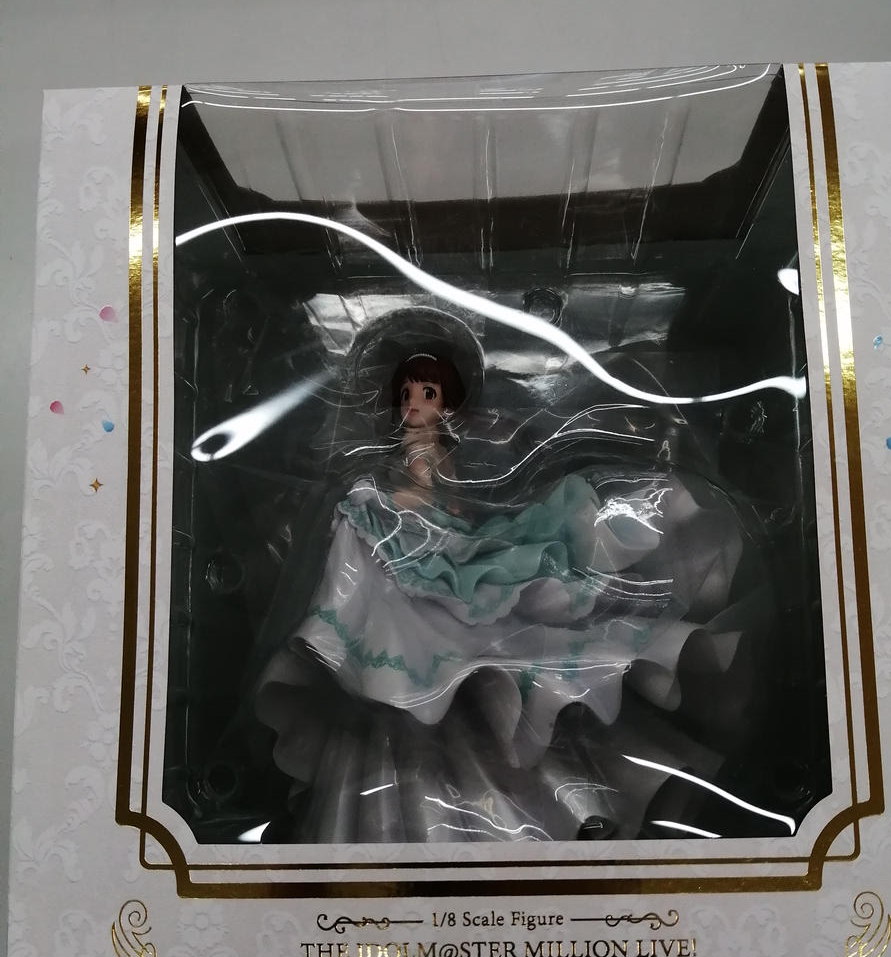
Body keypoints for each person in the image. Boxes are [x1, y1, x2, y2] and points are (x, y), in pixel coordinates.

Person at [255, 344, 747, 843]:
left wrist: (389, 499)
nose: (414, 404)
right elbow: (440, 502)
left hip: (430, 551)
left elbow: (429, 498)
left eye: (427, 394)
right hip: (421, 557)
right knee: (414, 675)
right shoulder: (418, 447)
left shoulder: (425, 448)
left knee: (444, 659)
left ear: (447, 403)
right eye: (407, 394)